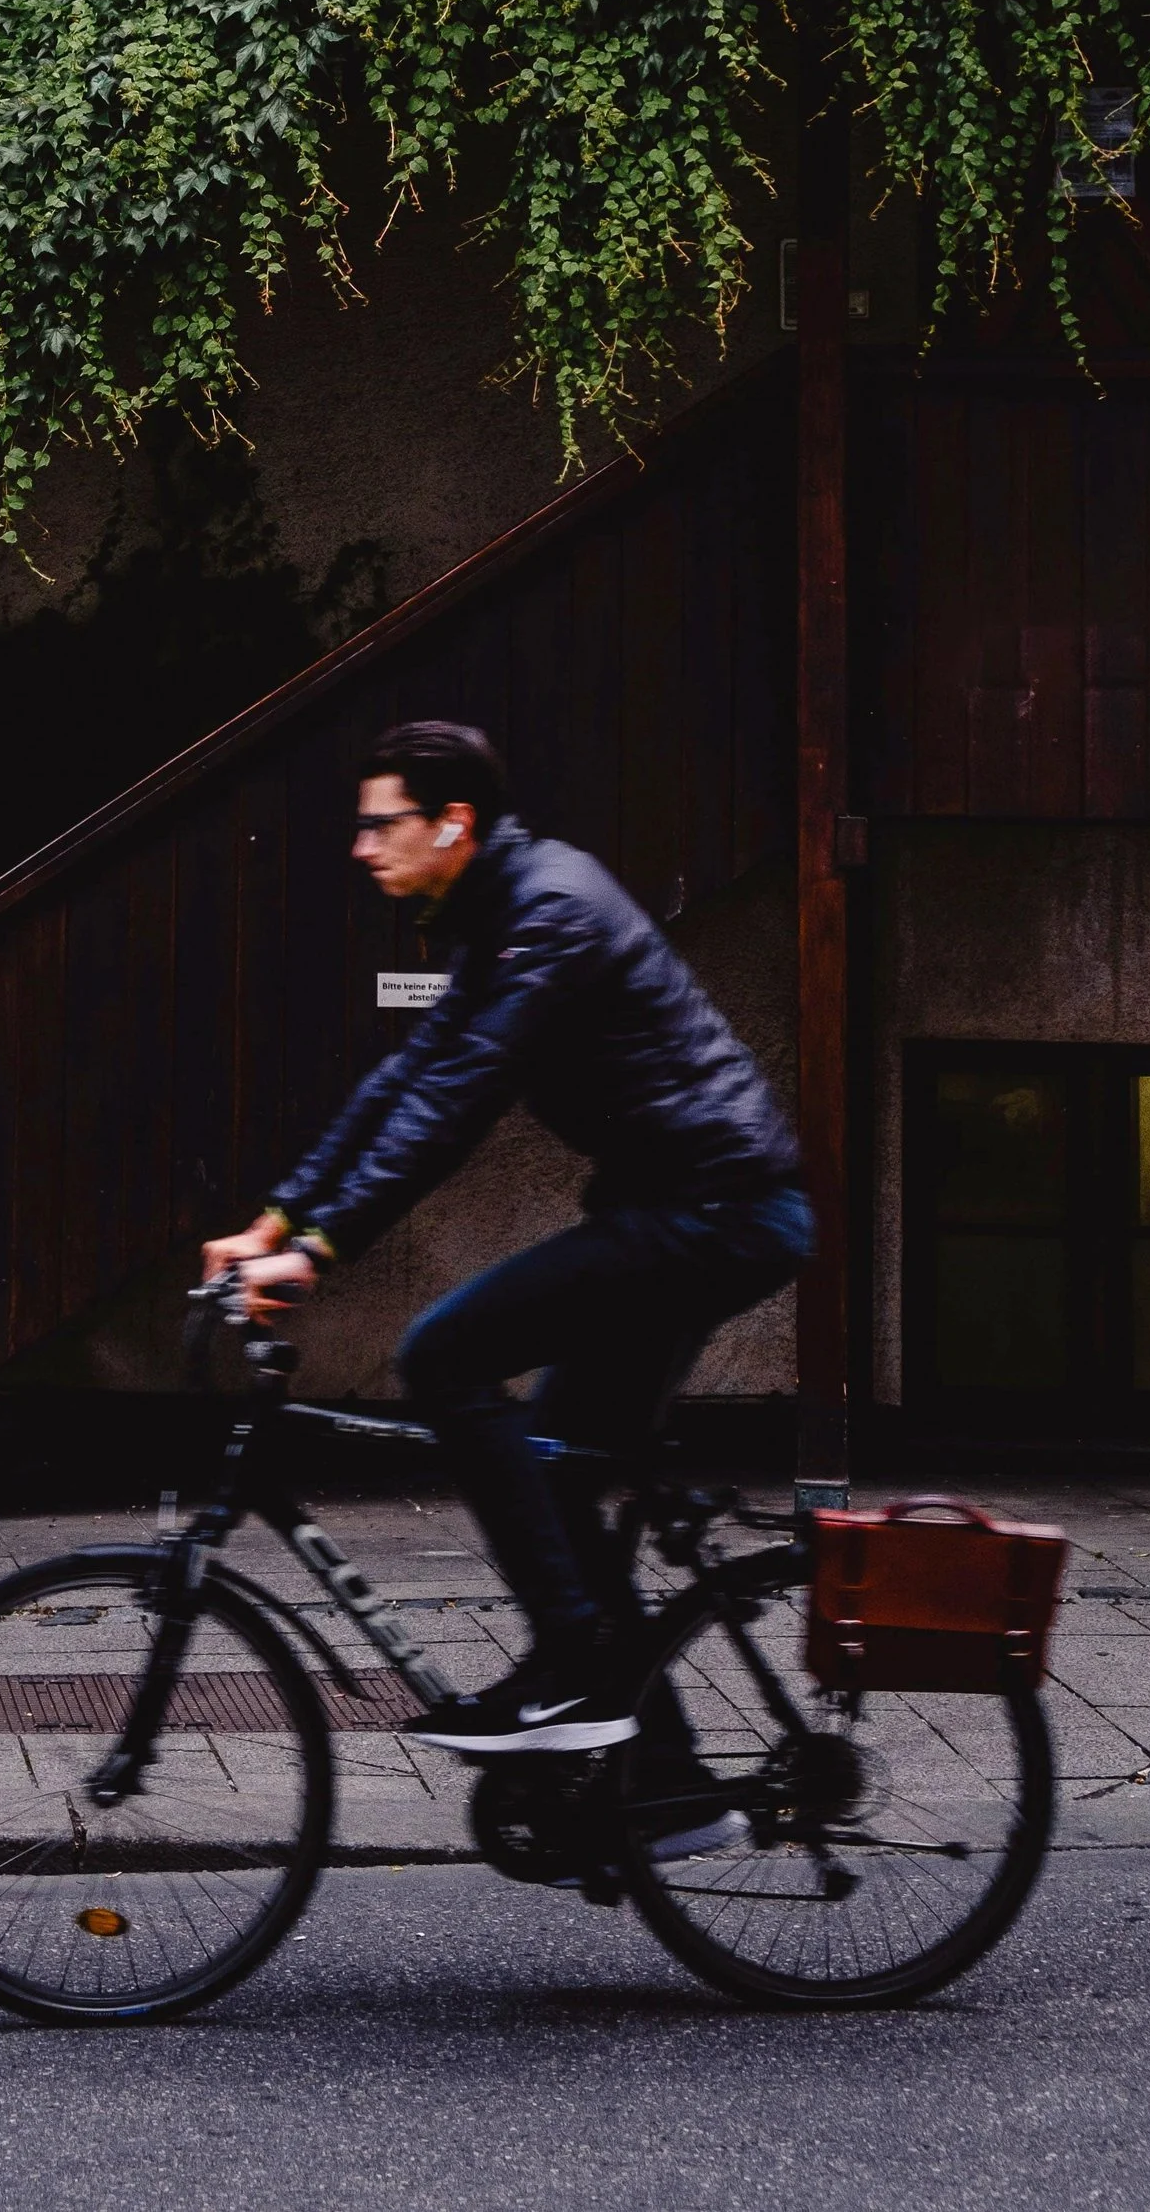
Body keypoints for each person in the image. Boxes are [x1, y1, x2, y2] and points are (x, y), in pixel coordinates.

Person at [202, 720, 811, 1824]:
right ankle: (659, 1783)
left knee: (444, 1350)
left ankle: (575, 1660)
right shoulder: (499, 912)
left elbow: (455, 1100)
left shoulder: (550, 912)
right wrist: (276, 1218)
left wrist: (322, 1250)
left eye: (379, 822)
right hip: (672, 1211)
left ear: (453, 822)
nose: (360, 846)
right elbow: (409, 1074)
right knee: (559, 1466)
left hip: (713, 1215)